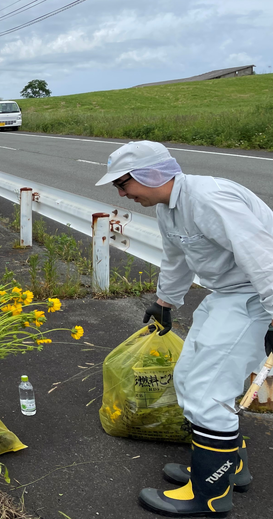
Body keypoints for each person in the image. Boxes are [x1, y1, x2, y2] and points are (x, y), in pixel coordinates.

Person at [95, 140, 273, 517]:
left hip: (256, 297)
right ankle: (230, 469)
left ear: (149, 174)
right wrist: (164, 302)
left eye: (123, 184)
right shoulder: (169, 208)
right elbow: (177, 257)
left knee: (208, 392)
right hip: (229, 294)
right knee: (190, 378)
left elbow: (263, 257)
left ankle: (208, 497)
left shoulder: (208, 199)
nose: (123, 194)